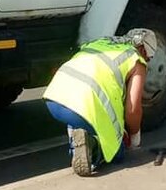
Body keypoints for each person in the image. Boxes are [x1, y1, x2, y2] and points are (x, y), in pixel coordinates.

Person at [43, 31, 152, 176]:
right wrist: (134, 137)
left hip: (54, 99)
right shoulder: (136, 59)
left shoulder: (98, 43)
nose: (147, 61)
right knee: (116, 153)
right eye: (149, 58)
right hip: (85, 108)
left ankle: (76, 143)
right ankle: (93, 148)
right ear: (144, 50)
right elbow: (132, 110)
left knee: (79, 114)